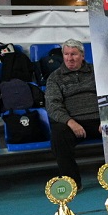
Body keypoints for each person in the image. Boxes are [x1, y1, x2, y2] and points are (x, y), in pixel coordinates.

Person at [45, 39, 101, 189]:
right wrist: (70, 122)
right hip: (73, 122)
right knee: (58, 135)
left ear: (82, 55)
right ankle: (73, 182)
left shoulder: (96, 71)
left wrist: (107, 118)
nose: (69, 58)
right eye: (66, 54)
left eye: (74, 54)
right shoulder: (55, 77)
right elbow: (52, 105)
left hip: (99, 120)